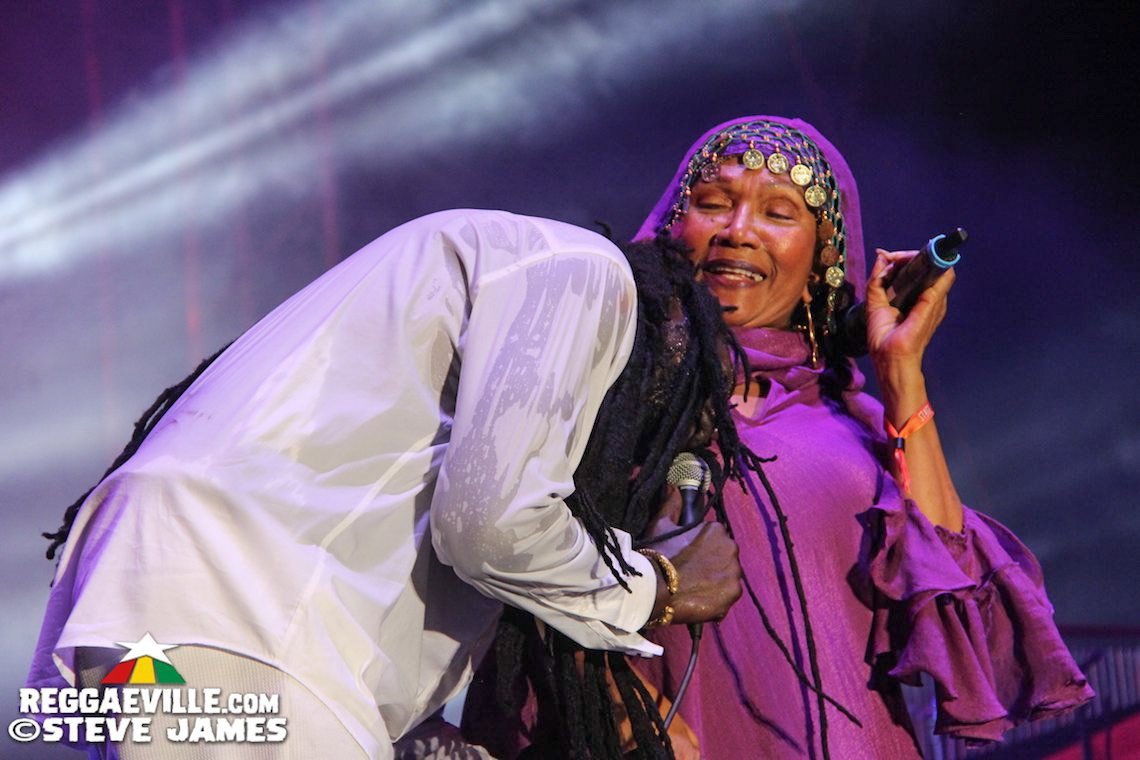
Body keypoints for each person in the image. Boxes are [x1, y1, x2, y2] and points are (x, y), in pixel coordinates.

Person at [27, 208, 745, 759]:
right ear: (673, 341)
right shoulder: (587, 275)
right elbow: (493, 526)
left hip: (160, 615)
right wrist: (656, 584)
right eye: (676, 405)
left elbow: (371, 565)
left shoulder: (464, 283)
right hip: (243, 616)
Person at [623, 116, 1095, 758]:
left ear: (822, 260)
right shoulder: (610, 395)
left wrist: (901, 370)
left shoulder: (856, 423)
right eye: (713, 203)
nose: (738, 231)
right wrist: (624, 714)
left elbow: (959, 616)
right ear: (672, 227)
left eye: (778, 213)